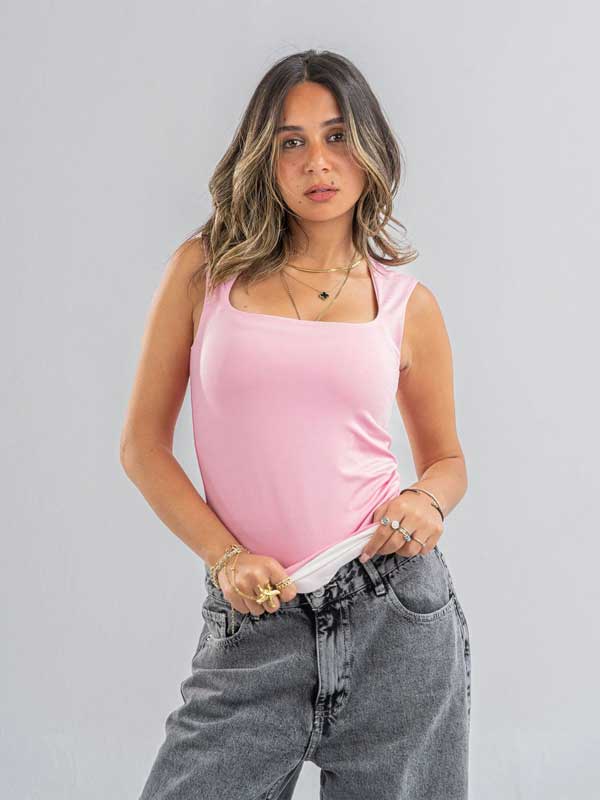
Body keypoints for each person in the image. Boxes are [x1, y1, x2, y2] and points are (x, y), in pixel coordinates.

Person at [121, 48, 471, 800]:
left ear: (370, 148)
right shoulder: (204, 273)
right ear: (265, 157)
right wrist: (224, 557)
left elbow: (447, 460)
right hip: (257, 624)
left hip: (394, 615)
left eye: (337, 136)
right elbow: (143, 448)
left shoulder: (407, 305)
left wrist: (426, 501)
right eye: (292, 141)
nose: (318, 161)